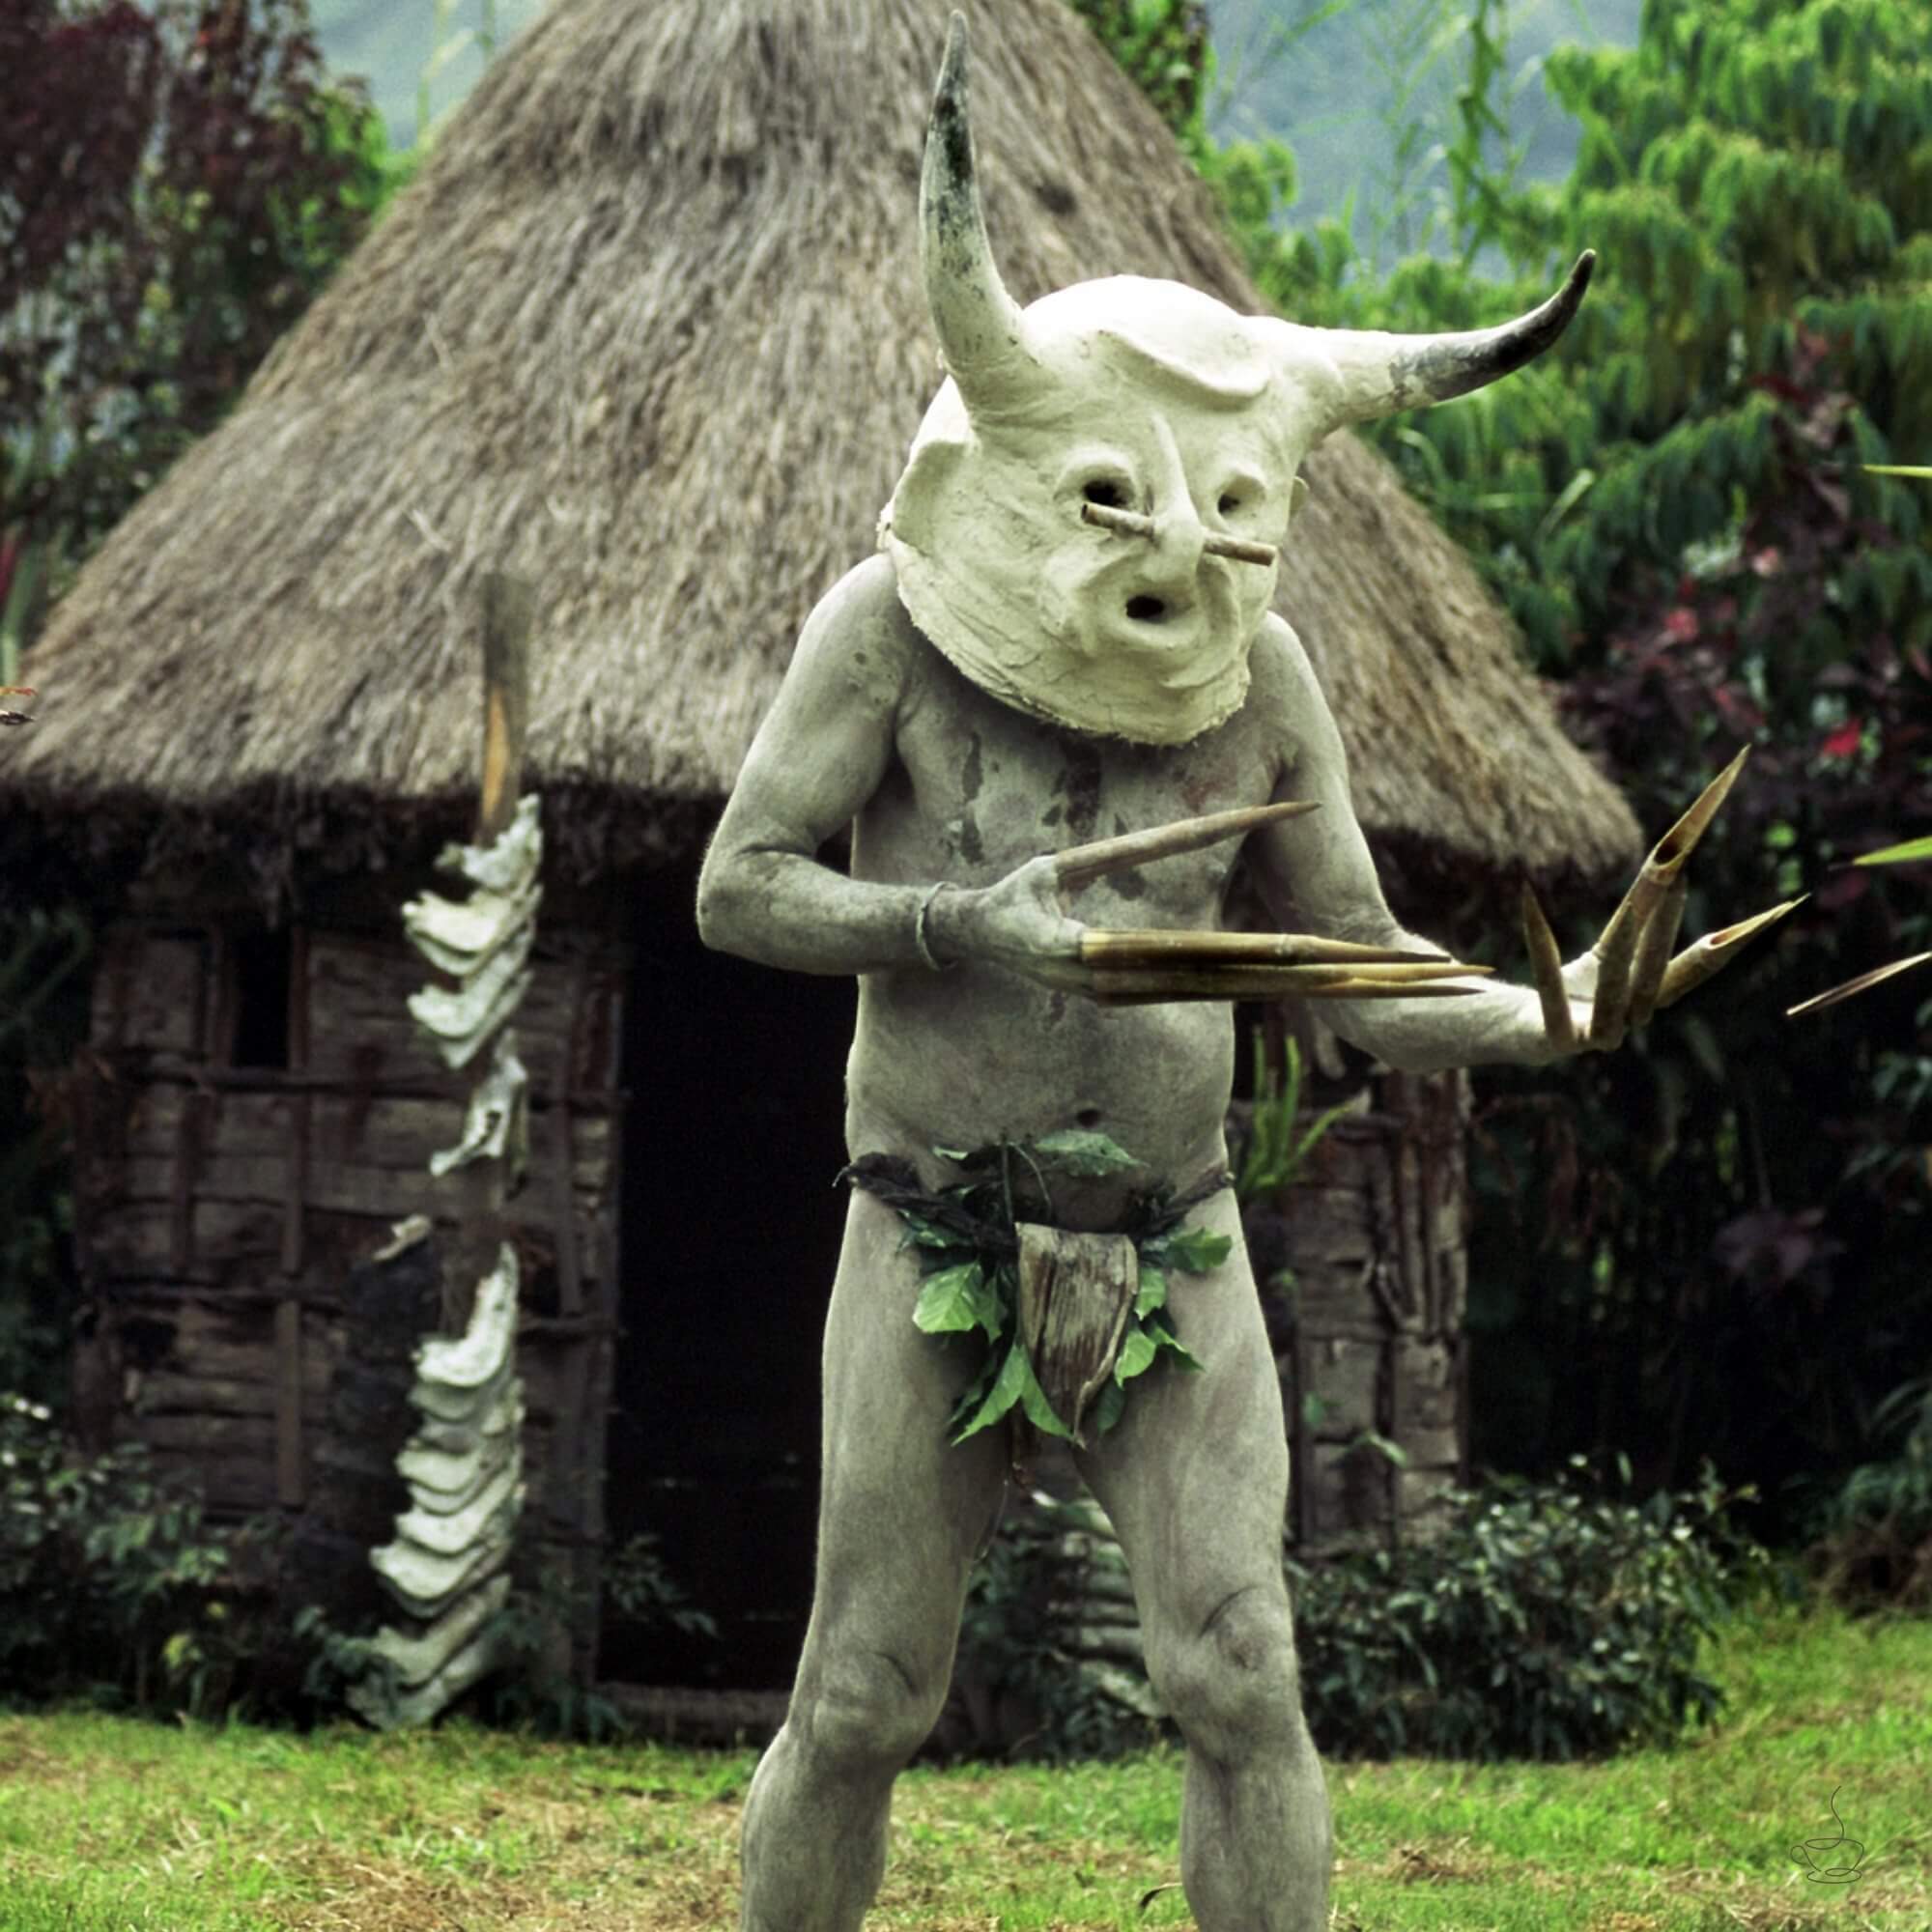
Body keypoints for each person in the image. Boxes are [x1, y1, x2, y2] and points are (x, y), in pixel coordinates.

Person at [697, 18, 1781, 1929]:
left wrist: (1551, 1015)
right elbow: (738, 890)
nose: (1171, 566)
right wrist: (961, 922)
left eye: (1215, 520)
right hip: (930, 1222)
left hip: (1172, 1239)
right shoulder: (880, 639)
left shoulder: (1260, 688)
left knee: (1237, 1668)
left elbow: (1350, 968)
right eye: (1114, 503)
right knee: (862, 1692)